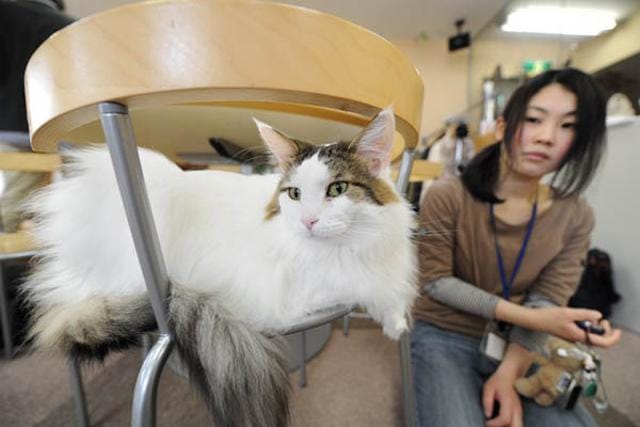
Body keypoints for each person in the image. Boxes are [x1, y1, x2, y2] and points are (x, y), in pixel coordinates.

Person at [411, 68, 622, 427]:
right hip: (443, 332)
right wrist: (534, 317)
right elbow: (435, 282)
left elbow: (547, 297)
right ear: (502, 127)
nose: (546, 137)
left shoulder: (577, 215)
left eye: (568, 126)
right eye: (534, 119)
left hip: (519, 343)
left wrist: (509, 372)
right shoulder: (446, 195)